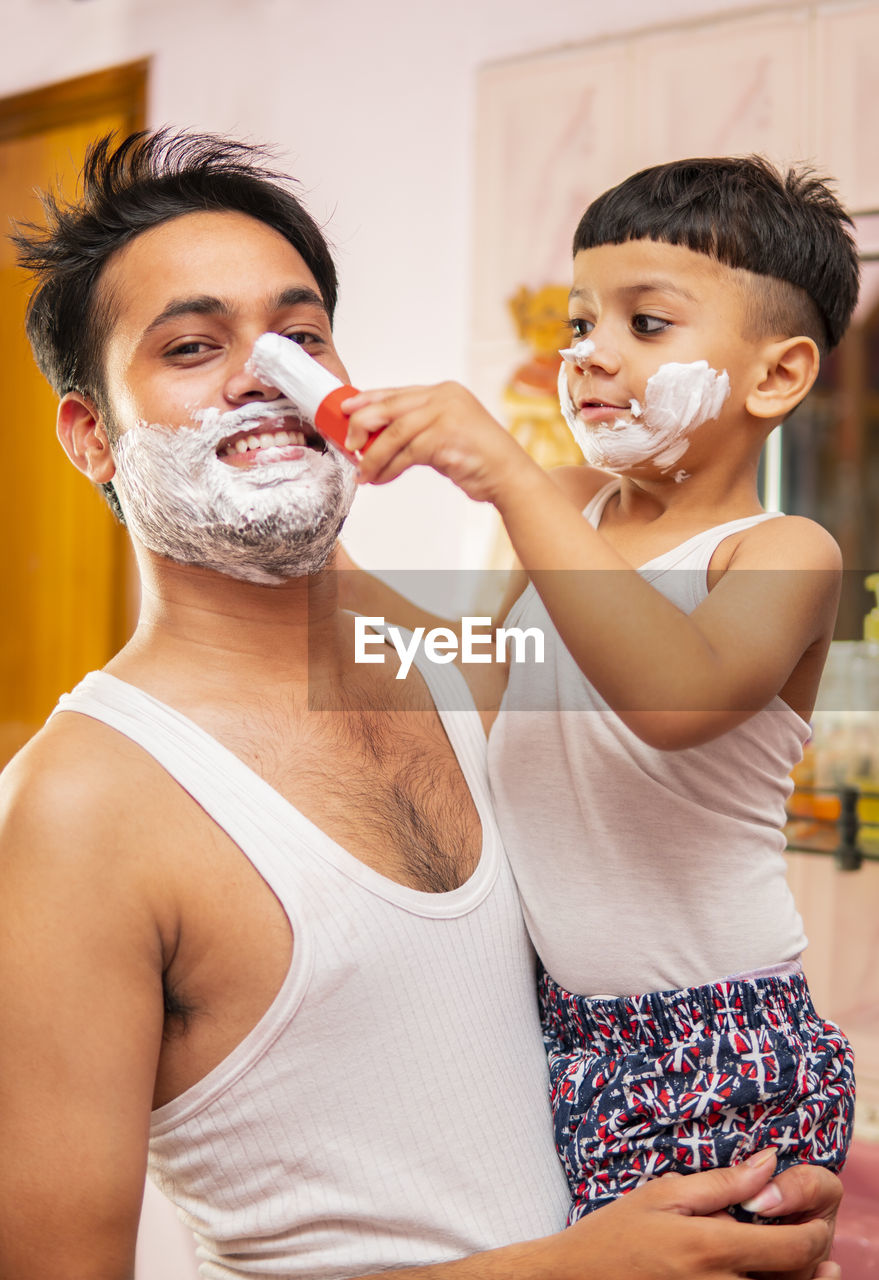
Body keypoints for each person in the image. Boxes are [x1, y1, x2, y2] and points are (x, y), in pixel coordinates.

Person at [0, 132, 842, 1280]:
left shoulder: (478, 660)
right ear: (92, 435)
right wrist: (569, 1271)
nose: (266, 371)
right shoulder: (77, 810)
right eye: (194, 346)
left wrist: (747, 1190)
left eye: (301, 336)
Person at [342, 158, 859, 1223]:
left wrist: (511, 474)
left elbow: (674, 698)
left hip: (719, 1034)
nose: (590, 355)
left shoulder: (781, 552)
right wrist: (311, 535)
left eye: (647, 324)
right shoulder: (564, 511)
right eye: (582, 323)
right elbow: (468, 683)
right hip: (561, 1018)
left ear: (776, 375)